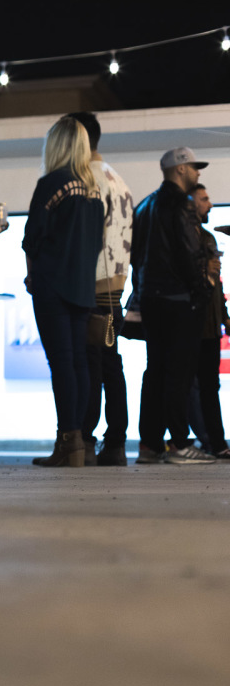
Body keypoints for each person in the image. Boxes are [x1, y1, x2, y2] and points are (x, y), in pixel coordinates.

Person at [22, 117, 105, 467]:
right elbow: (97, 243)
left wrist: (32, 276)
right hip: (83, 287)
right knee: (79, 362)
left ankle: (67, 442)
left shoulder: (51, 183)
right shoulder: (93, 189)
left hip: (52, 284)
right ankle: (80, 441)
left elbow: (32, 237)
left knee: (61, 363)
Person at [132, 148, 216, 464]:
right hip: (179, 299)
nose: (198, 172)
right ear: (180, 169)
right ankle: (179, 444)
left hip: (151, 298)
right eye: (194, 167)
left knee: (155, 371)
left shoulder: (145, 206)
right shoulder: (182, 204)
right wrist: (200, 292)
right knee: (179, 374)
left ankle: (150, 444)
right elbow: (188, 252)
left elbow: (135, 255)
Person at [67, 112, 134, 467]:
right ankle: (116, 443)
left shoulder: (87, 179)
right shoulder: (117, 178)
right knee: (110, 367)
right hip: (115, 289)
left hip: (91, 288)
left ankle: (86, 441)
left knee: (90, 368)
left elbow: (83, 239)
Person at [186, 183, 230, 459]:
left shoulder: (206, 238)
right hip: (191, 325)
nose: (210, 204)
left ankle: (215, 442)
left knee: (208, 387)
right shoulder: (186, 238)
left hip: (210, 326)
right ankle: (202, 440)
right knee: (190, 387)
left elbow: (215, 287)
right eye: (204, 199)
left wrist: (224, 317)